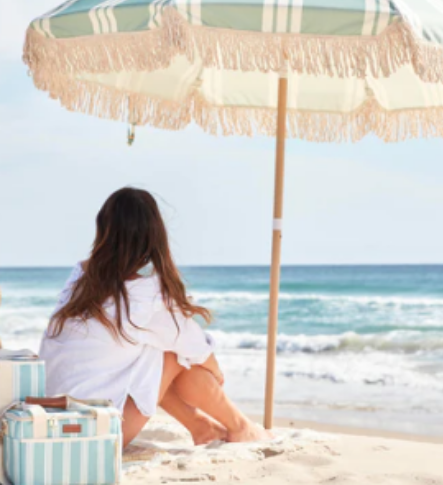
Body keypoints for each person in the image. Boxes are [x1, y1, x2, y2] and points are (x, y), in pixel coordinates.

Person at [39, 187, 271, 448]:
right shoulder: (146, 296)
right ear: (153, 238)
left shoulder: (80, 277)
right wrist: (215, 373)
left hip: (50, 423)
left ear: (102, 229)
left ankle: (202, 427)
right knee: (171, 353)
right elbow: (196, 347)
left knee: (152, 350)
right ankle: (240, 427)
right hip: (100, 435)